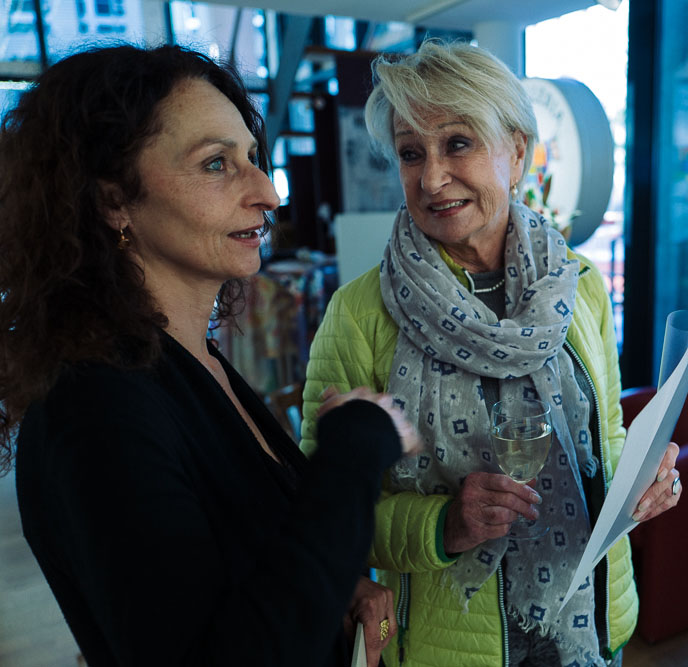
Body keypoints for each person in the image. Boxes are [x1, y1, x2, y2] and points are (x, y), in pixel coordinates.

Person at [0, 44, 419, 667]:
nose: (267, 193)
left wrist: (331, 587)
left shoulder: (188, 362)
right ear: (113, 200)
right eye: (216, 164)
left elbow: (238, 574)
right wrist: (353, 451)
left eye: (252, 158)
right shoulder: (95, 404)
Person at [300, 40, 683, 667]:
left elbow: (606, 436)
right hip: (448, 645)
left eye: (458, 143)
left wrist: (643, 482)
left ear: (517, 154)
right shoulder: (359, 314)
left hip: (587, 627)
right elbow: (322, 509)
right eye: (411, 153)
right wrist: (444, 524)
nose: (431, 178)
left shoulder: (578, 286)